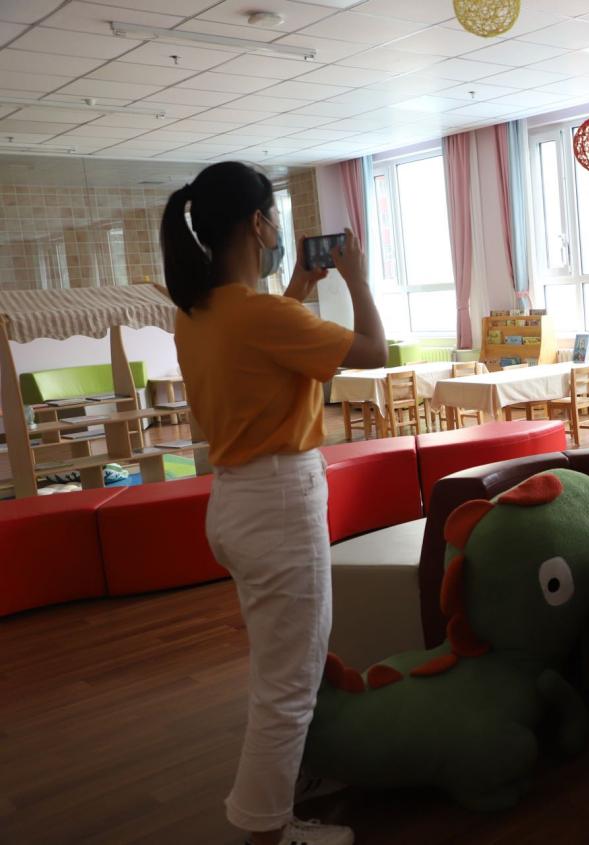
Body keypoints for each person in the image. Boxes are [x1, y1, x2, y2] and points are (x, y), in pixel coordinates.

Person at [161, 161, 387, 845]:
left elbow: (264, 349)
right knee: (288, 681)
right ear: (259, 224)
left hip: (236, 502)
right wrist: (356, 277)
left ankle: (291, 778)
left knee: (282, 664)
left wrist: (299, 289)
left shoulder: (197, 314)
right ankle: (267, 829)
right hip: (278, 504)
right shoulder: (262, 316)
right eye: (275, 216)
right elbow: (374, 350)